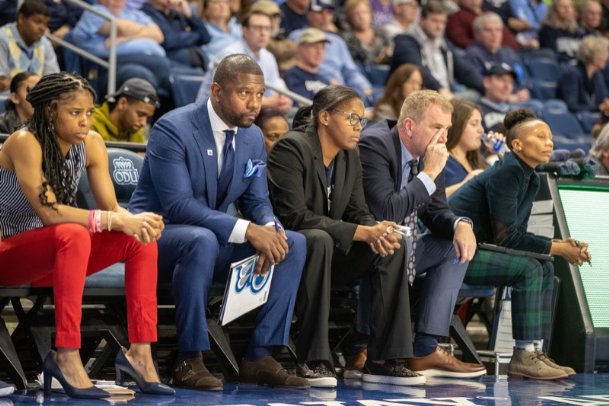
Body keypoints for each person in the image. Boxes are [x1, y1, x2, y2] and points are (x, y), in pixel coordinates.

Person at [129, 54, 308, 391]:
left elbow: (256, 199)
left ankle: (260, 355)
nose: (254, 103)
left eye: (258, 94)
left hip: (207, 239)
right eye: (244, 94)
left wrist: (269, 228)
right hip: (155, 239)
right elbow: (179, 205)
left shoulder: (253, 137)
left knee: (293, 243)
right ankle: (188, 358)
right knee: (201, 239)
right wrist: (247, 231)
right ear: (216, 91)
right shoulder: (173, 128)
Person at [0, 72, 172, 398]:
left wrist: (138, 221)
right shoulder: (25, 141)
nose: (84, 121)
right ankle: (65, 353)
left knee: (139, 241)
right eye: (74, 113)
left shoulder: (91, 143)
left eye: (89, 112)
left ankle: (140, 353)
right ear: (50, 110)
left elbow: (110, 206)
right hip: (8, 251)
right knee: (73, 233)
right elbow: (49, 212)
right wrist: (113, 219)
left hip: (56, 254)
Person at [267, 84, 425, 387]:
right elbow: (294, 217)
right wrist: (362, 231)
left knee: (391, 245)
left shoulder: (349, 156)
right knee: (317, 238)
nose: (358, 127)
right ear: (324, 117)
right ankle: (313, 358)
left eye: (361, 121)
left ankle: (383, 359)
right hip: (289, 254)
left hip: (330, 255)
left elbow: (359, 210)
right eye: (352, 118)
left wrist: (376, 231)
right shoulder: (291, 148)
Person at [449, 109, 591, 380]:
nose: (549, 143)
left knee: (545, 266)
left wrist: (558, 245)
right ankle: (523, 355)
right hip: (452, 253)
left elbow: (516, 236)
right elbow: (507, 238)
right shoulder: (509, 171)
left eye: (550, 138)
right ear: (517, 145)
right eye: (540, 136)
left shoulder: (530, 176)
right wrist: (558, 248)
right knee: (530, 269)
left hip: (477, 250)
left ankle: (536, 351)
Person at [358, 90, 486, 379]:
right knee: (397, 237)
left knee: (455, 246)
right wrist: (427, 174)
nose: (443, 138)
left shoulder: (431, 152)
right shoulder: (374, 146)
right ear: (409, 126)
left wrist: (460, 224)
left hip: (404, 247)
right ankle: (367, 346)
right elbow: (386, 212)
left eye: (447, 130)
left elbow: (436, 212)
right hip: (367, 246)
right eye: (436, 127)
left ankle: (425, 348)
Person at [197, 9, 293, 113]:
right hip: (212, 113)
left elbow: (274, 90)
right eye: (257, 28)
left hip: (252, 113)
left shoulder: (268, 57)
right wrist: (270, 102)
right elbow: (228, 98)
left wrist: (282, 101)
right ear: (245, 31)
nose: (263, 33)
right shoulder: (230, 55)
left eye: (267, 28)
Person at [390, 0, 484, 101]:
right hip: (420, 98)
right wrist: (440, 90)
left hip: (447, 95)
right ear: (421, 20)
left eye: (443, 22)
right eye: (435, 21)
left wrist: (487, 87)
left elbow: (464, 71)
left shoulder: (443, 44)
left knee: (479, 96)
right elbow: (419, 69)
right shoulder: (405, 41)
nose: (439, 26)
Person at [445, 99, 505, 196]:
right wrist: (466, 184)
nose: (481, 130)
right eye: (474, 124)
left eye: (481, 123)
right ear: (456, 126)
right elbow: (431, 199)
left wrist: (501, 153)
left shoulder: (477, 159)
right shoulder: (442, 159)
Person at [0, 0, 59, 92]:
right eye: (37, 21)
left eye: (45, 24)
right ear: (21, 19)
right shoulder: (2, 38)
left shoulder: (45, 43)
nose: (43, 28)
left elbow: (54, 82)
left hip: (35, 101)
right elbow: (2, 83)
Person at [141, 0, 211, 69]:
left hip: (198, 65)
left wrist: (189, 15)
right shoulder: (145, 14)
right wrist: (196, 35)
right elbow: (169, 40)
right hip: (175, 67)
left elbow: (205, 37)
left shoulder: (176, 12)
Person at [91, 78, 159, 143]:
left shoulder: (137, 133)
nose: (143, 123)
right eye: (140, 114)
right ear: (122, 103)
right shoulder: (91, 123)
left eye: (148, 117)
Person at [557, 35, 609, 113]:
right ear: (594, 57)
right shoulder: (572, 73)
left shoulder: (598, 75)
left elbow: (604, 99)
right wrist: (598, 108)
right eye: (604, 54)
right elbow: (571, 106)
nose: (606, 57)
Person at [283, 28, 339, 100]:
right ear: (300, 48)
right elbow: (302, 105)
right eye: (315, 47)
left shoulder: (325, 80)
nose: (319, 52)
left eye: (322, 48)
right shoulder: (292, 76)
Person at [340, 0, 393, 65]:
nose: (362, 17)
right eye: (356, 14)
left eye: (364, 12)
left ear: (371, 13)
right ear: (350, 17)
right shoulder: (346, 38)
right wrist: (379, 60)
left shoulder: (382, 32)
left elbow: (391, 48)